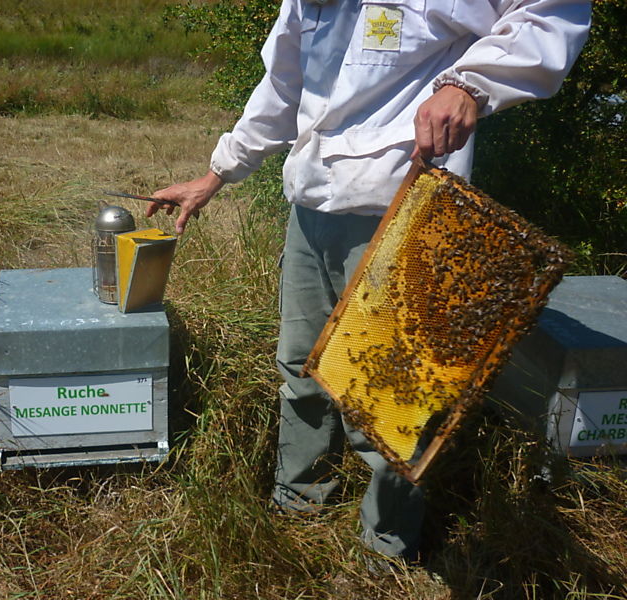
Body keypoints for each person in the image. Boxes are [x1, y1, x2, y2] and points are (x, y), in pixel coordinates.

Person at [147, 0, 591, 562]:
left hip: (407, 209)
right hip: (312, 208)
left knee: (396, 396)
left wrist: (470, 86)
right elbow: (282, 89)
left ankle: (385, 545)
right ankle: (300, 498)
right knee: (302, 365)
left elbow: (552, 14)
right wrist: (216, 175)